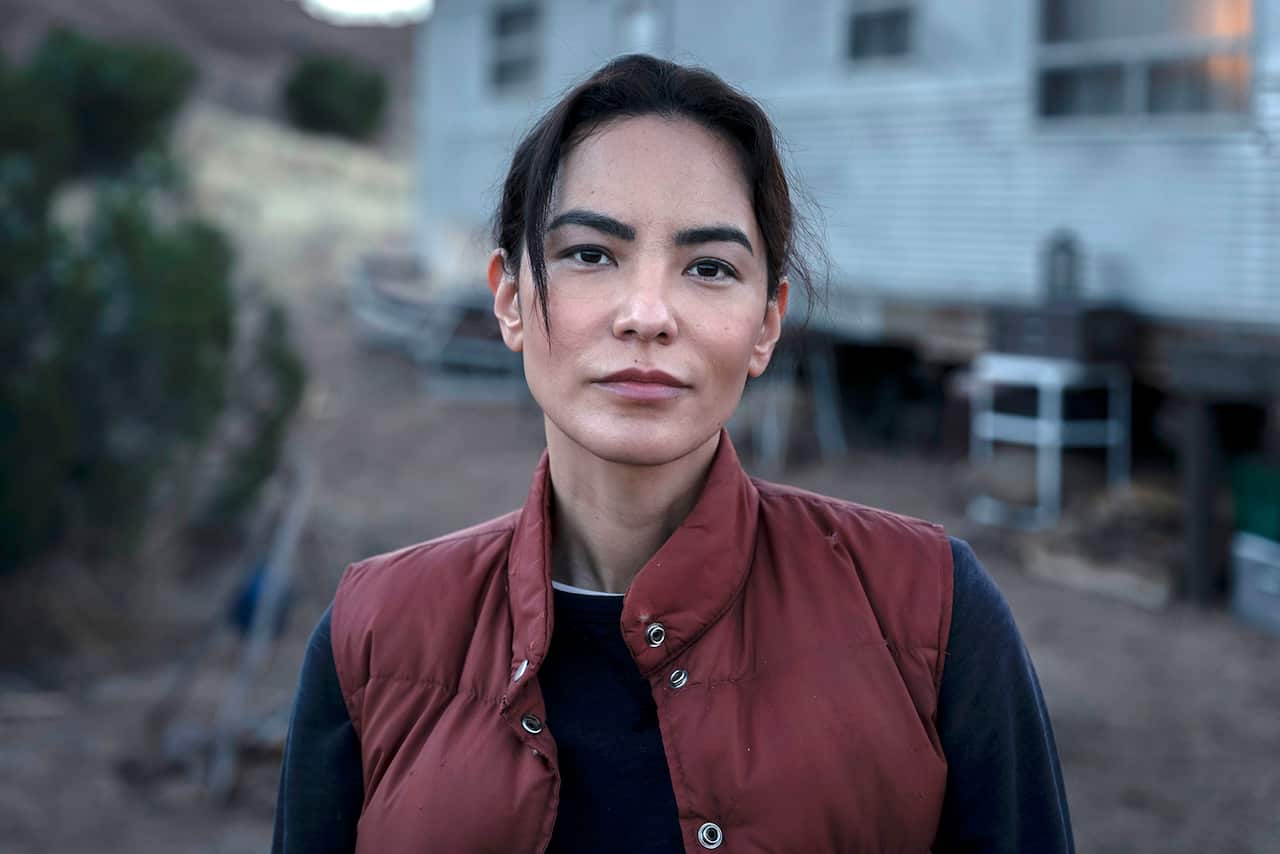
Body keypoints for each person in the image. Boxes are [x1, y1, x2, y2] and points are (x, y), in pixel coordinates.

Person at [273, 54, 1074, 853]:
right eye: (590, 254)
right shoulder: (371, 637)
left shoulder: (932, 615)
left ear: (766, 324)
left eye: (709, 267)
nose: (648, 315)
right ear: (510, 299)